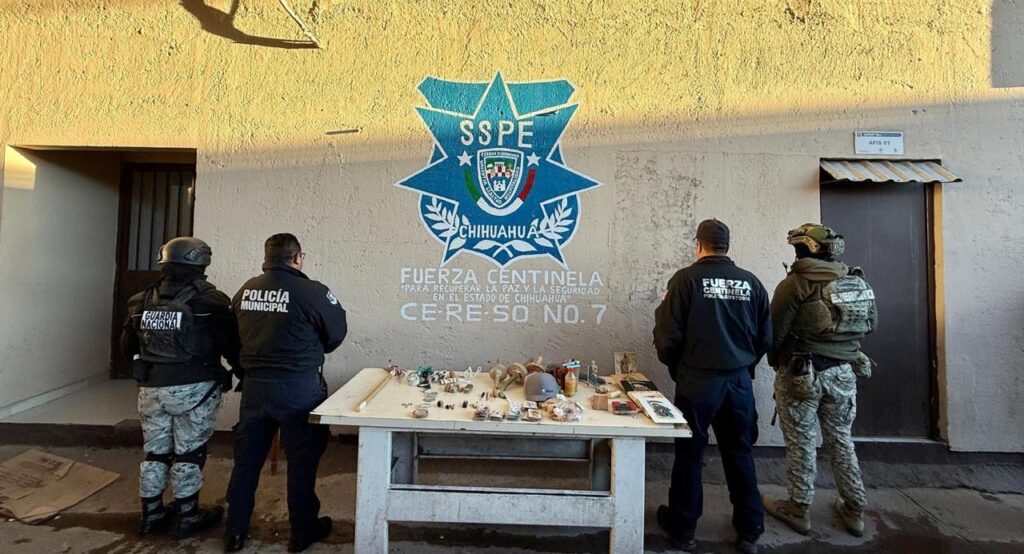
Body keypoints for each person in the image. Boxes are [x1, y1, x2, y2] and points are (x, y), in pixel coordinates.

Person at [653, 219, 772, 554]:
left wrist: (678, 368)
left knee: (690, 453)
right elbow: (765, 337)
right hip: (738, 381)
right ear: (727, 245)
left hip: (698, 381)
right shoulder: (752, 282)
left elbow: (667, 336)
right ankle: (749, 530)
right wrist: (743, 366)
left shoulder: (685, 280)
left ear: (698, 244)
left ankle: (684, 530)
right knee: (739, 452)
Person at [224, 233, 348, 553]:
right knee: (302, 461)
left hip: (255, 388)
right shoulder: (312, 292)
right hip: (299, 388)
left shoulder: (245, 291)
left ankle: (234, 532)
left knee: (246, 462)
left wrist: (245, 369)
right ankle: (302, 532)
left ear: (267, 258)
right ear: (297, 258)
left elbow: (230, 338)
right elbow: (336, 334)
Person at [762, 223, 877, 538]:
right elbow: (872, 324)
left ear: (803, 249)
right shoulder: (854, 279)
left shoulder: (795, 284)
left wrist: (777, 362)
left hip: (801, 373)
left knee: (801, 441)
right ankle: (854, 509)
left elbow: (775, 333)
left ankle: (798, 508)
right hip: (843, 372)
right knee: (841, 439)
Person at [121, 237, 240, 538]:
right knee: (189, 452)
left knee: (155, 452)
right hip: (195, 389)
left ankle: (151, 514)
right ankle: (188, 514)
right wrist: (242, 373)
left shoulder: (139, 301)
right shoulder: (211, 302)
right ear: (202, 263)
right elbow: (230, 345)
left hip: (151, 389)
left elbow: (127, 347)